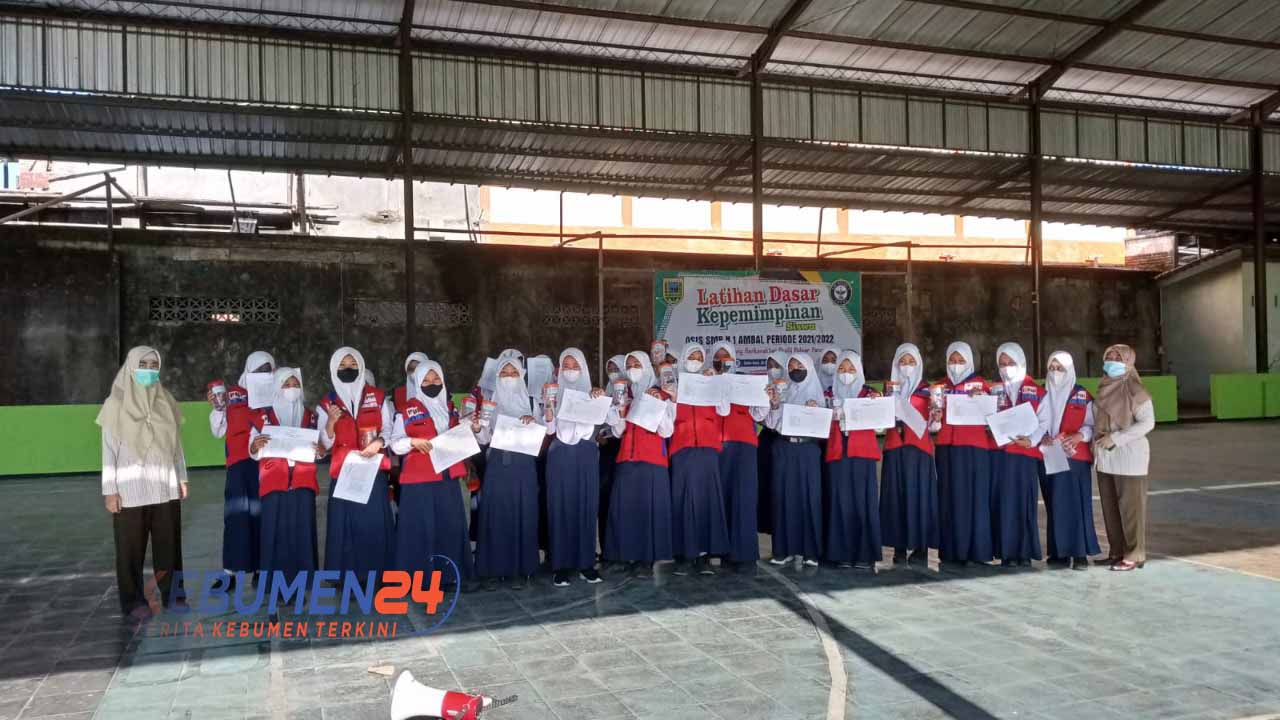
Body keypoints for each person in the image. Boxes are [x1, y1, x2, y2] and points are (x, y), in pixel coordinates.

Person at [99, 346, 188, 622]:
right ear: (131, 367)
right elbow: (108, 451)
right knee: (130, 550)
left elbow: (176, 445)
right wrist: (110, 490)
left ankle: (174, 595)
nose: (149, 370)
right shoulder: (116, 403)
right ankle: (133, 600)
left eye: (153, 365)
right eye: (143, 364)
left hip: (164, 486)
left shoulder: (166, 400)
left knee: (169, 545)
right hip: (130, 489)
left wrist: (181, 477)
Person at [389, 361, 474, 587]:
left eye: (436, 379)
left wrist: (469, 428)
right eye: (426, 380)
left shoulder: (450, 407)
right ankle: (419, 581)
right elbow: (395, 443)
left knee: (449, 525)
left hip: (447, 475)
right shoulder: (406, 409)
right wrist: (412, 442)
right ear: (417, 383)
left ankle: (449, 577)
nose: (432, 384)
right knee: (420, 528)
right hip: (419, 479)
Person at [320, 347, 395, 580]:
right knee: (346, 525)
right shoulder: (327, 402)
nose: (348, 369)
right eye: (342, 365)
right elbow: (324, 443)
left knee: (374, 521)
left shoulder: (378, 397)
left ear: (361, 367)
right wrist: (330, 423)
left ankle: (380, 575)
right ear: (334, 369)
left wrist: (379, 442)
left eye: (353, 365)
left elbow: (389, 429)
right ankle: (347, 577)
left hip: (373, 467)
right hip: (344, 470)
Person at [248, 368, 322, 589]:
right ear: (277, 388)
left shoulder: (310, 416)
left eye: (295, 384)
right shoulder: (262, 416)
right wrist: (255, 446)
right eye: (286, 385)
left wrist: (321, 451)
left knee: (302, 530)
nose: (292, 389)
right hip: (274, 480)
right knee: (275, 531)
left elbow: (319, 448)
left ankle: (304, 582)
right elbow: (252, 449)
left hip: (302, 481)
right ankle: (274, 584)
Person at [604, 351, 675, 577]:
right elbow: (618, 431)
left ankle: (646, 559)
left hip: (652, 460)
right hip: (627, 458)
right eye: (630, 365)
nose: (633, 368)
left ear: (646, 367)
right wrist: (618, 409)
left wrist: (657, 403)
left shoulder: (662, 393)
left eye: (637, 364)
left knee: (647, 511)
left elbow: (667, 430)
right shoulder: (626, 394)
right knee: (624, 509)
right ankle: (624, 556)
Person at [472, 357, 541, 590]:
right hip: (497, 464)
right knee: (496, 515)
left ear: (521, 376)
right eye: (504, 373)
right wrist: (478, 428)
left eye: (514, 372)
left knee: (523, 513)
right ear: (497, 376)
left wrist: (533, 422)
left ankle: (520, 569)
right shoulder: (490, 402)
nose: (509, 377)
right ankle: (493, 569)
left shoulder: (532, 402)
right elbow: (484, 439)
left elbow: (543, 431)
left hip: (524, 465)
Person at [209, 350, 273, 584]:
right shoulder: (233, 395)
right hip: (238, 465)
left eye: (268, 369)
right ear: (248, 370)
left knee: (262, 516)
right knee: (235, 516)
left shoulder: (277, 393)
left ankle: (260, 570)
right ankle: (230, 572)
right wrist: (218, 409)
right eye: (258, 370)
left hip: (266, 465)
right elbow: (217, 431)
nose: (263, 374)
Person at [544, 348, 606, 587]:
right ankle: (560, 567)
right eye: (566, 366)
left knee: (586, 507)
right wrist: (549, 406)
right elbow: (549, 430)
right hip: (560, 454)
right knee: (560, 508)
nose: (570, 371)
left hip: (586, 453)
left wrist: (598, 399)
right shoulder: (553, 392)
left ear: (583, 369)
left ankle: (586, 564)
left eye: (575, 366)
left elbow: (607, 423)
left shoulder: (593, 393)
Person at [668, 343, 731, 575]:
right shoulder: (673, 383)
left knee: (707, 500)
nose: (694, 361)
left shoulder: (710, 381)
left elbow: (724, 410)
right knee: (683, 500)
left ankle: (705, 555)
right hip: (682, 448)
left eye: (698, 357)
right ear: (683, 359)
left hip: (707, 448)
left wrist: (716, 384)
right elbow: (667, 418)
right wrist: (673, 397)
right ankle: (684, 555)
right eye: (691, 356)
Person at [1094, 344, 1155, 572]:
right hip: (1106, 458)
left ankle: (1134, 554)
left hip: (1129, 458)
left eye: (1118, 358)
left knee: (1131, 511)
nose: (1112, 360)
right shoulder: (1103, 387)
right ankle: (1116, 551)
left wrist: (1116, 438)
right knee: (1110, 509)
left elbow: (1148, 423)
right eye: (1108, 356)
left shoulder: (1136, 390)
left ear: (1129, 362)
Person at [934, 341, 995, 569]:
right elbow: (932, 424)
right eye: (952, 360)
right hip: (947, 449)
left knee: (976, 499)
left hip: (974, 448)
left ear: (969, 361)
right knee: (949, 498)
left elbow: (992, 415)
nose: (956, 364)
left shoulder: (981, 385)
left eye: (961, 360)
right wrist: (935, 415)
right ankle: (952, 551)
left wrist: (982, 399)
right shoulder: (939, 387)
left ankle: (977, 551)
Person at [1037, 351, 1100, 571]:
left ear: (1070, 370)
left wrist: (1080, 435)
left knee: (1077, 504)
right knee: (1054, 504)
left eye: (1060, 368)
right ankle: (1059, 552)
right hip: (1048, 455)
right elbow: (1035, 421)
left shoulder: (1082, 395)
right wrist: (1042, 436)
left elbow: (1092, 425)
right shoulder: (1042, 393)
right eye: (1052, 368)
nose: (1055, 373)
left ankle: (1079, 553)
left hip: (1074, 457)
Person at [880, 343, 939, 566]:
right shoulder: (888, 390)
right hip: (895, 449)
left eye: (911, 362)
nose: (906, 366)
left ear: (919, 364)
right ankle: (899, 547)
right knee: (896, 498)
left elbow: (934, 426)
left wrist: (936, 414)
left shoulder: (928, 392)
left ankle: (921, 546)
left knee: (920, 497)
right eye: (902, 362)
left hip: (919, 452)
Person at [764, 353, 825, 567]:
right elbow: (771, 424)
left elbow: (824, 429)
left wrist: (816, 411)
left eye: (800, 365)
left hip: (808, 449)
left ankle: (810, 552)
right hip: (784, 447)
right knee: (783, 497)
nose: (795, 369)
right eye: (791, 366)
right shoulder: (784, 391)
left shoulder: (818, 395)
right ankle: (783, 550)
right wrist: (774, 405)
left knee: (809, 498)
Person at [824, 351, 882, 570]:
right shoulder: (827, 394)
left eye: (850, 369)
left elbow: (880, 426)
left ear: (859, 371)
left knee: (863, 503)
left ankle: (865, 555)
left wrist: (876, 405)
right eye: (841, 368)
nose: (845, 373)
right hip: (838, 453)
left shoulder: (869, 394)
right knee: (840, 502)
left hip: (862, 455)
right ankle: (841, 554)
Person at [710, 342, 766, 572]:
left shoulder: (746, 381)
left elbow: (759, 414)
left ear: (735, 359)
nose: (722, 360)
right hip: (715, 446)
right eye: (718, 356)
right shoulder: (707, 381)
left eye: (727, 356)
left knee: (743, 498)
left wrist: (764, 397)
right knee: (719, 499)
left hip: (743, 445)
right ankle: (722, 553)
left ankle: (744, 556)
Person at [991, 342, 1045, 568]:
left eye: (1011, 362)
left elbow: (1044, 422)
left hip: (1024, 455)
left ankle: (1024, 552)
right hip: (1000, 456)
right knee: (1002, 502)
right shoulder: (993, 390)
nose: (1006, 368)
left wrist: (1031, 440)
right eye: (1002, 363)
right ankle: (1006, 553)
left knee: (1023, 502)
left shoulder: (1037, 391)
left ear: (1021, 362)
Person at [597, 354, 627, 550]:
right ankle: (606, 549)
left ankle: (621, 548)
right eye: (610, 369)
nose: (613, 373)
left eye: (617, 369)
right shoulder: (606, 393)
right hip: (606, 451)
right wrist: (598, 435)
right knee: (605, 498)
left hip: (624, 451)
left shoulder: (632, 393)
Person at [757, 350, 788, 536]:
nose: (772, 369)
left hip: (785, 441)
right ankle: (766, 522)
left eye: (777, 366)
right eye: (769, 365)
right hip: (767, 439)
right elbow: (759, 417)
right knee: (766, 481)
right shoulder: (764, 387)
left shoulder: (793, 388)